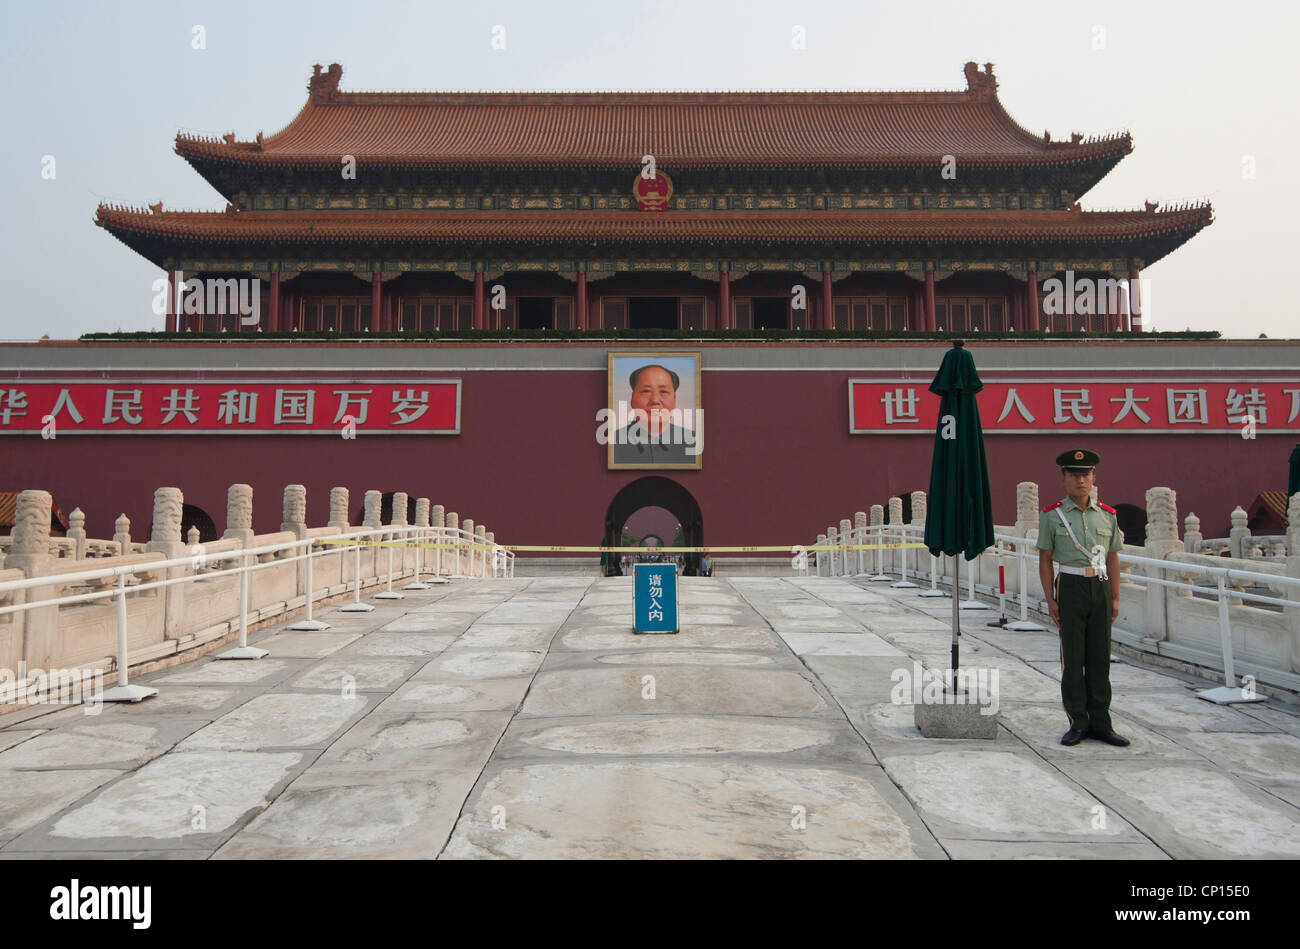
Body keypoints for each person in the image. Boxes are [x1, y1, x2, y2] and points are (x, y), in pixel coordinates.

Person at [1036, 448, 1128, 748]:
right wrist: (1051, 598)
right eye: (1074, 475)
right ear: (1063, 478)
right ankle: (1078, 721)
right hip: (1071, 587)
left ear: (1093, 478)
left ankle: (1102, 722)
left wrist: (1115, 597)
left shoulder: (1107, 515)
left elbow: (1113, 557)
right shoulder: (1052, 516)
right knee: (1073, 658)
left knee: (1100, 657)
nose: (1081, 481)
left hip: (1099, 586)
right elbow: (1046, 559)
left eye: (1086, 475)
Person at [612, 364, 699, 465]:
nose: (655, 400)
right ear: (632, 399)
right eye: (646, 391)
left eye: (663, 391)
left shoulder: (695, 442)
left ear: (674, 399)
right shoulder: (611, 443)